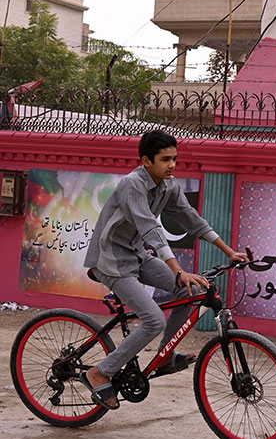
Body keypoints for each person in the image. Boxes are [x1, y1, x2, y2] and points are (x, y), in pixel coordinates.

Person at [80, 130, 248, 409]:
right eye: (165, 159)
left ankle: (166, 355)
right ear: (146, 161)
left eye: (175, 159)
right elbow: (150, 228)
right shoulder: (132, 185)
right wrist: (177, 268)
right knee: (153, 320)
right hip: (110, 260)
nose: (172, 165)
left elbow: (192, 220)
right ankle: (100, 372)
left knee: (189, 289)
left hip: (136, 254)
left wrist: (229, 251)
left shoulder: (168, 186)